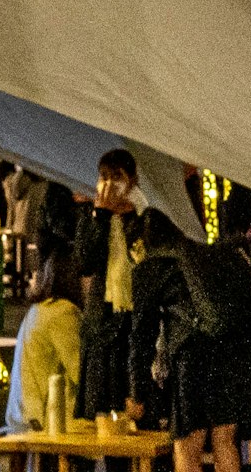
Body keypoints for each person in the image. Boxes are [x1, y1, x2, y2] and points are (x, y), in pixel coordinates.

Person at [154, 187, 251, 472]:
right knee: (225, 439)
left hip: (196, 354)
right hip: (237, 358)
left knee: (189, 442)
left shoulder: (185, 253)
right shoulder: (240, 258)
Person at [74, 150, 163, 428]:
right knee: (106, 423)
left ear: (132, 180)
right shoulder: (92, 218)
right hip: (102, 331)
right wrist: (99, 215)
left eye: (117, 177)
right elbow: (85, 262)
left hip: (135, 330)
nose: (109, 185)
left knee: (141, 419)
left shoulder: (145, 219)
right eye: (103, 177)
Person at [6, 254, 84, 432]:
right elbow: (80, 371)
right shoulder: (63, 312)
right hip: (44, 420)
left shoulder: (38, 309)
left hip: (21, 413)